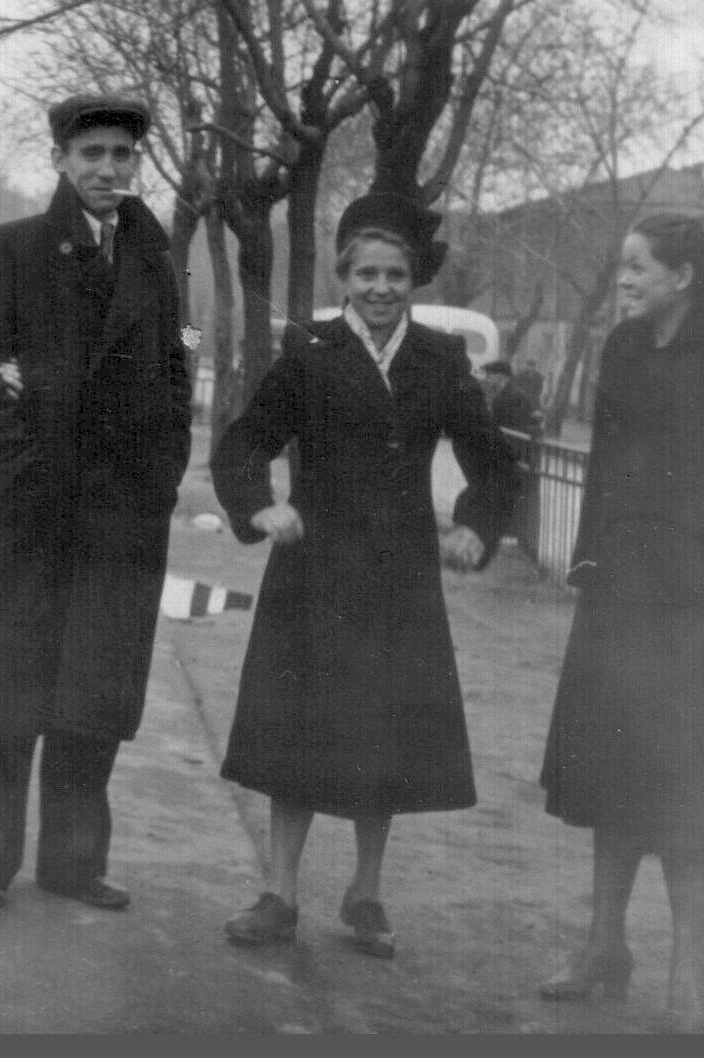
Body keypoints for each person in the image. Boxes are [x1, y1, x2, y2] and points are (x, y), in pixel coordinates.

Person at [211, 192, 519, 957]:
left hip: (399, 579)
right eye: (367, 275)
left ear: (413, 281)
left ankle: (367, 893)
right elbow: (244, 443)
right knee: (297, 735)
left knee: (385, 737)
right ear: (344, 279)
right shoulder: (309, 350)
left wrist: (477, 526)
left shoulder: (441, 358)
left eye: (396, 275)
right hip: (313, 573)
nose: (381, 288)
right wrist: (261, 508)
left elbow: (494, 464)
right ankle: (279, 893)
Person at [0, 94, 192, 914]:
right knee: (6, 691)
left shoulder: (155, 259)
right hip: (33, 514)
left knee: (94, 693)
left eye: (122, 154)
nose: (108, 169)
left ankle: (75, 864)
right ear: (59, 160)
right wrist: (18, 472)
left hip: (122, 519)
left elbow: (177, 371)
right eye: (92, 154)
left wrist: (161, 480)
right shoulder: (11, 248)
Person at [537, 213, 704, 1032]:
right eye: (624, 265)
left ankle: (688, 968)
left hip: (699, 611)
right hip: (620, 601)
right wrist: (586, 566)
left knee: (691, 791)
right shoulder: (622, 349)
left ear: (683, 275)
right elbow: (607, 468)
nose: (625, 279)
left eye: (639, 266)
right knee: (610, 775)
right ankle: (604, 948)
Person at [478, 360, 541, 436]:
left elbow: (510, 429)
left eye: (488, 375)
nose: (486, 379)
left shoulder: (509, 398)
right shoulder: (513, 395)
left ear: (500, 376)